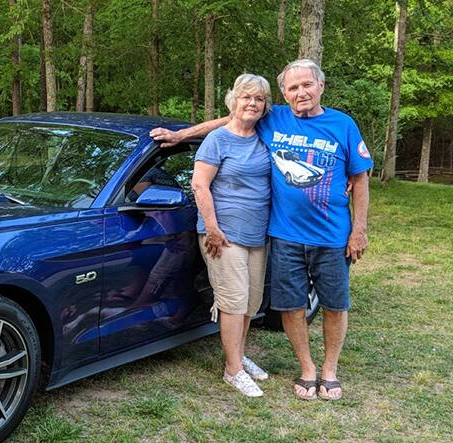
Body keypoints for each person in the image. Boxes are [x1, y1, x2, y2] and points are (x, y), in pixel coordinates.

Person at [151, 59, 372, 401]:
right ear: (284, 93)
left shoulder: (342, 125)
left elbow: (359, 179)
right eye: (293, 87)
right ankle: (305, 369)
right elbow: (230, 119)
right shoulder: (275, 119)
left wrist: (359, 230)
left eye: (307, 85)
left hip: (330, 235)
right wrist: (182, 134)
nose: (301, 92)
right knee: (289, 306)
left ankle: (329, 370)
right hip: (284, 235)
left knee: (332, 305)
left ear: (321, 87)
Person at [189, 73, 273, 397]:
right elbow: (200, 184)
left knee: (251, 303)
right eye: (246, 97)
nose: (252, 103)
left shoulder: (264, 136)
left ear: (265, 106)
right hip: (222, 234)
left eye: (259, 99)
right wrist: (212, 227)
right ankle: (232, 370)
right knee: (233, 302)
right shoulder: (218, 140)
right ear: (233, 101)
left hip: (257, 233)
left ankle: (239, 355)